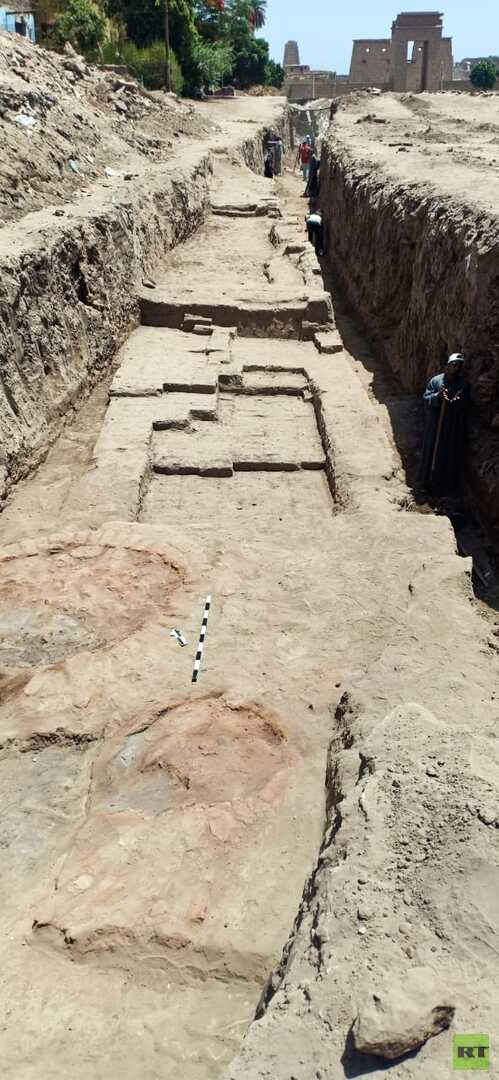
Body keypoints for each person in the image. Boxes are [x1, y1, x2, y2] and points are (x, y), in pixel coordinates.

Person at [419, 353, 470, 493]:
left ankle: (445, 486)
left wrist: (454, 400)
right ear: (448, 365)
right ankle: (426, 481)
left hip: (452, 426)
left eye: (458, 366)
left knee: (449, 454)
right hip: (436, 424)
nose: (456, 368)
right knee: (431, 451)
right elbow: (426, 398)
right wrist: (438, 396)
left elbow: (465, 403)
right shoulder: (436, 381)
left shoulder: (463, 384)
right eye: (453, 365)